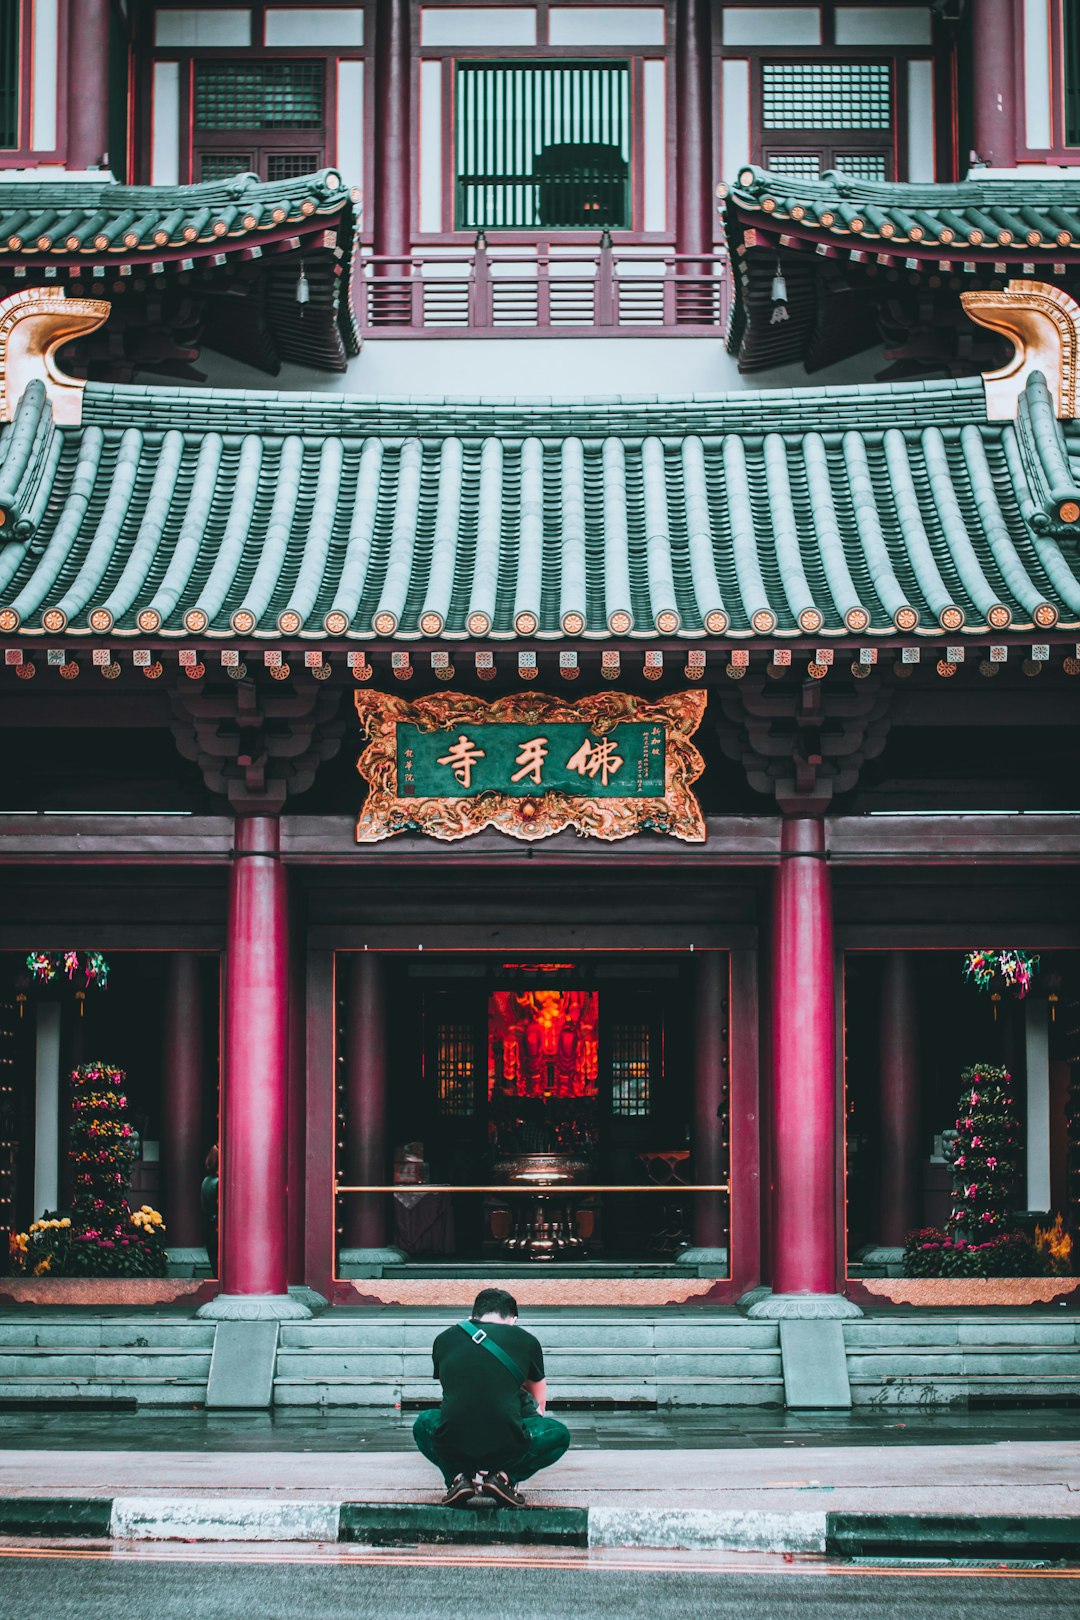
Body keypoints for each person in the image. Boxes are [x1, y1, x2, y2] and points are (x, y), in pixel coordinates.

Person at [413, 1287, 570, 1508]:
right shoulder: (526, 1340)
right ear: (513, 1319)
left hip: (453, 1442)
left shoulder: (444, 1339)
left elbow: (456, 1390)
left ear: (474, 1316)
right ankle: (503, 1478)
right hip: (508, 1445)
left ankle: (458, 1478)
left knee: (424, 1422)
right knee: (557, 1433)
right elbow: (539, 1407)